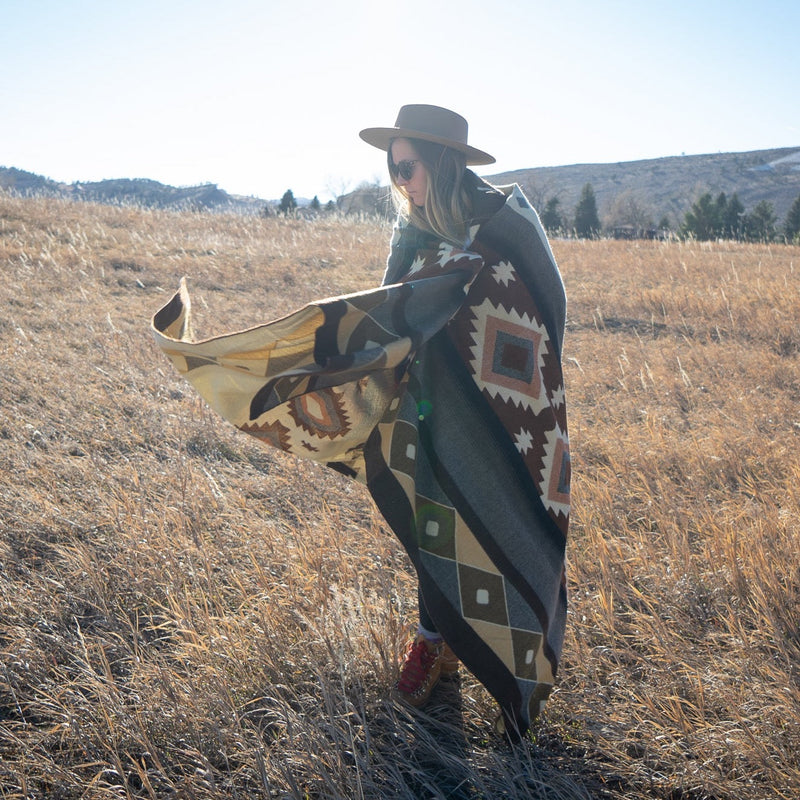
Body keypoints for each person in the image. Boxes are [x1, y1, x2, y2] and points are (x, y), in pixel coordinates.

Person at [151, 103, 570, 739]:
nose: (400, 183)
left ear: (444, 164)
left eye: (409, 168)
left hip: (505, 418)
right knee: (433, 516)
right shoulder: (416, 232)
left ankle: (491, 663)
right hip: (425, 403)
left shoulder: (504, 228)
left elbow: (543, 309)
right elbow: (391, 313)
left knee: (503, 525)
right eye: (392, 171)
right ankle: (436, 639)